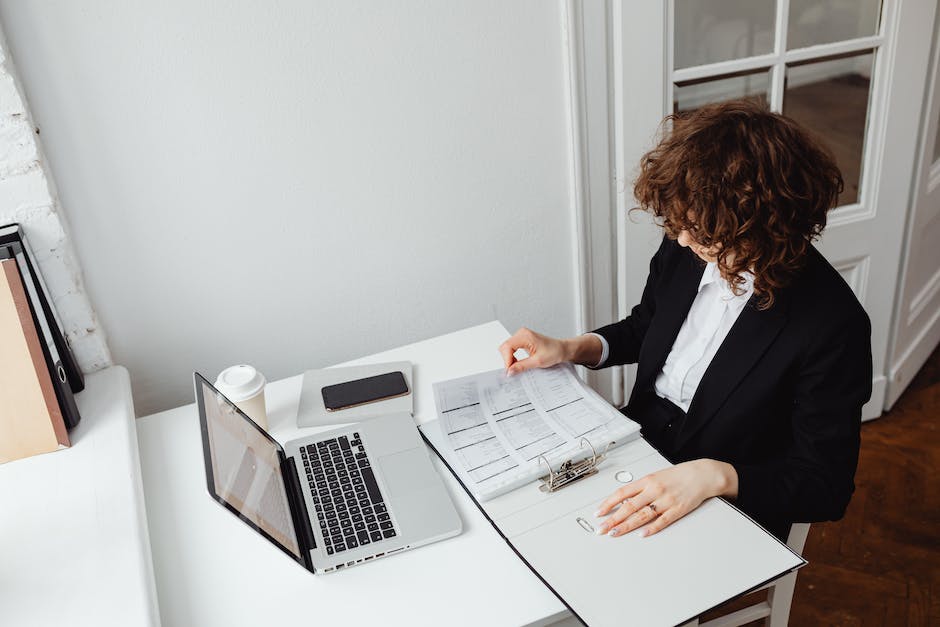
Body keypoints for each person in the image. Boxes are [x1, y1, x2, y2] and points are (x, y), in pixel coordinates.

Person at [499, 99, 872, 542]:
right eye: (680, 224)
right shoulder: (691, 239)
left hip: (725, 495)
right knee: (526, 522)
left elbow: (824, 486)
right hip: (638, 443)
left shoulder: (833, 324)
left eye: (701, 231)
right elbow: (648, 326)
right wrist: (572, 348)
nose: (680, 237)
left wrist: (716, 477)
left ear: (763, 227)